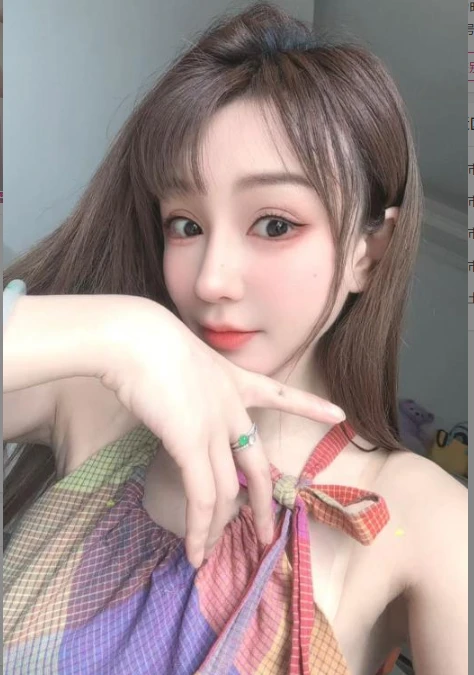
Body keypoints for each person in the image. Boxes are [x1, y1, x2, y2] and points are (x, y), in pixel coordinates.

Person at [3, 3, 467, 674]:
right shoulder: (94, 397)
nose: (211, 279)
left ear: (369, 251)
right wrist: (125, 331)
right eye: (185, 224)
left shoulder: (418, 517)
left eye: (275, 224)